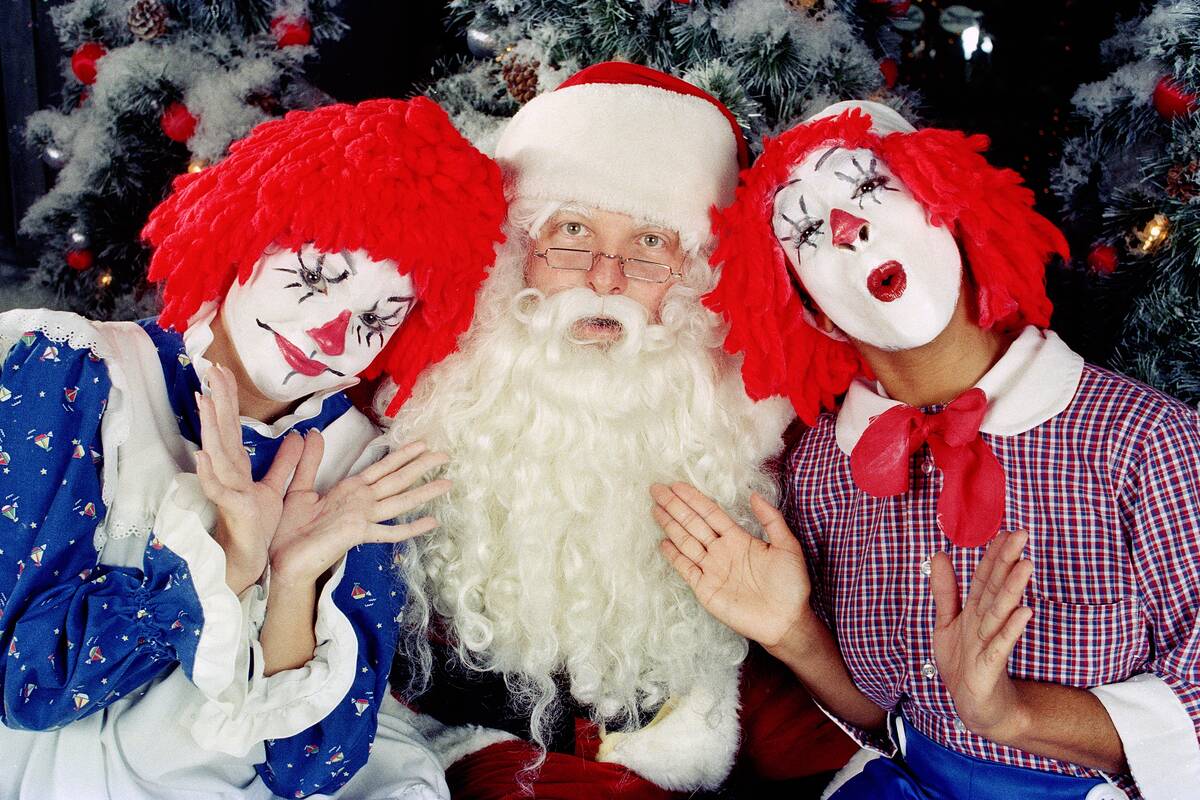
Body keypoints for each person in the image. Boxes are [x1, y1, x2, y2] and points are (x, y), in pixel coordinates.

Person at [651, 100, 1200, 800]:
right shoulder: (821, 473)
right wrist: (794, 634)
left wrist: (1014, 714)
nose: (848, 230)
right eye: (807, 230)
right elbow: (887, 721)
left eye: (871, 189)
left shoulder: (1146, 442)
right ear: (813, 306)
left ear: (951, 208)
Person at [374, 63, 858, 799]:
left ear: (696, 276)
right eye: (571, 231)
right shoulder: (421, 400)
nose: (605, 276)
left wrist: (795, 643)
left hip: (683, 738)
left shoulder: (749, 433)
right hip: (445, 746)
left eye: (651, 245)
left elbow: (826, 718)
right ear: (517, 251)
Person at [0, 98, 506, 799]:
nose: (333, 334)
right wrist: (228, 563)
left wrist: (293, 576)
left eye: (375, 317)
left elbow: (313, 768)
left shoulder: (365, 469)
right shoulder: (76, 372)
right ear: (246, 231)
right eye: (315, 277)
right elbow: (28, 683)